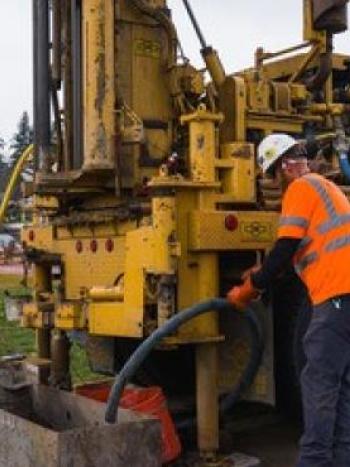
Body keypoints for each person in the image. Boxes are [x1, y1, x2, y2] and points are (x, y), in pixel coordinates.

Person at [227, 133, 350, 467]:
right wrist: (263, 271)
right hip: (345, 296)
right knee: (341, 387)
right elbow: (301, 251)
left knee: (319, 382)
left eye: (272, 176)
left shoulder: (300, 188)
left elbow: (284, 249)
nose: (275, 184)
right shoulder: (326, 187)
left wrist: (250, 288)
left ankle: (312, 461)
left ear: (283, 168)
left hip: (336, 295)